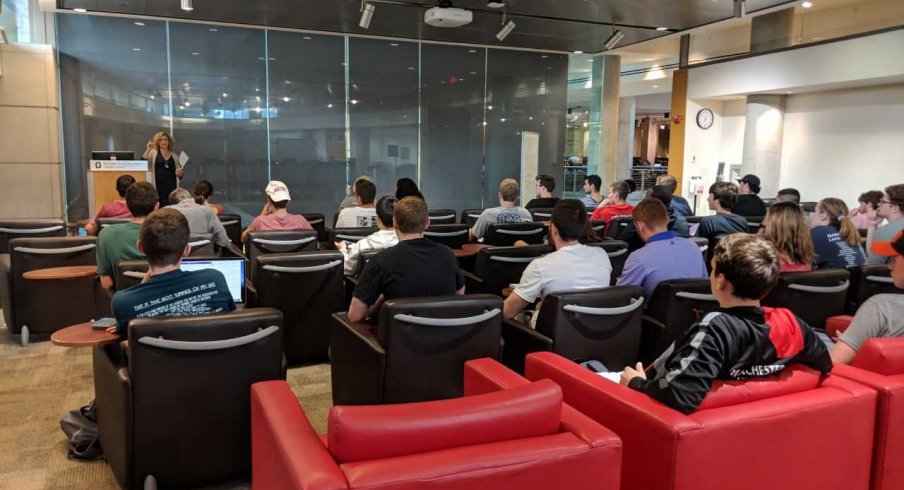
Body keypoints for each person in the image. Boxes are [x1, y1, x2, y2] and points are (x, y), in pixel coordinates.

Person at [620, 234, 832, 414]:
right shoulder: (790, 322)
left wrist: (637, 383)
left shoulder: (715, 328)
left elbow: (680, 394)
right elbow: (823, 364)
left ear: (720, 281)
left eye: (712, 270)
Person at [107, 208, 235, 338]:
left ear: (140, 248)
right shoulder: (214, 279)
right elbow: (230, 318)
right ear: (187, 250)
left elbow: (128, 338)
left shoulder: (123, 302)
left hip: (158, 358)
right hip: (215, 357)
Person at [349, 197, 464, 323]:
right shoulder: (448, 255)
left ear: (394, 222)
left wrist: (377, 305)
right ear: (427, 223)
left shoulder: (380, 261)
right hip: (445, 336)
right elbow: (458, 297)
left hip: (399, 340)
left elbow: (355, 316)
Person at [504, 199, 612, 327]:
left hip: (553, 338)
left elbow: (507, 312)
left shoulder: (540, 265)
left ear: (553, 228)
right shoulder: (602, 255)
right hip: (596, 332)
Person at [829, 230, 904, 364]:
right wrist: (857, 339)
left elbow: (829, 365)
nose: (889, 266)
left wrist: (852, 346)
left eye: (893, 259)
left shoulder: (880, 307)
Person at [617, 199, 708, 300]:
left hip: (653, 314)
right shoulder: (693, 247)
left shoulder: (638, 258)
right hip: (694, 313)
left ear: (640, 225)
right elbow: (704, 283)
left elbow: (621, 296)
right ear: (667, 219)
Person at [96, 181, 158, 290]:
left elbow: (106, 283)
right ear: (156, 206)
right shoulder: (170, 233)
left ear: (128, 206)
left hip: (123, 301)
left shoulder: (106, 235)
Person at [336, 196, 399, 277]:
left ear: (377, 219)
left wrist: (342, 250)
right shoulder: (408, 242)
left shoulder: (365, 244)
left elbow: (347, 269)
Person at [241, 180, 312, 242]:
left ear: (269, 201)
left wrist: (262, 215)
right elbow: (314, 239)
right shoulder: (301, 220)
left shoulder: (260, 221)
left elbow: (243, 239)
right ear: (288, 201)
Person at [810, 198, 866, 270]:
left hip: (834, 280)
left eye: (815, 212)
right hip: (857, 280)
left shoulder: (816, 233)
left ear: (823, 214)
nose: (812, 216)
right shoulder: (850, 233)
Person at [761, 201, 815, 272]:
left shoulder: (764, 260)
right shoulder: (807, 260)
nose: (764, 223)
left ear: (775, 226)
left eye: (767, 219)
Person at [866, 184, 904, 265]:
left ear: (894, 208)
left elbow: (873, 264)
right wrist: (873, 224)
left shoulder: (886, 231)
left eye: (882, 202)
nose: (878, 204)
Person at [142, 131, 183, 208]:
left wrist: (179, 174)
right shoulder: (153, 153)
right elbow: (143, 161)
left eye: (166, 139)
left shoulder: (175, 156)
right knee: (159, 207)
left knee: (172, 207)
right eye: (161, 140)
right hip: (158, 186)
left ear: (169, 141)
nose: (163, 141)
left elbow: (180, 174)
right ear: (158, 142)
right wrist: (148, 149)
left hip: (171, 186)